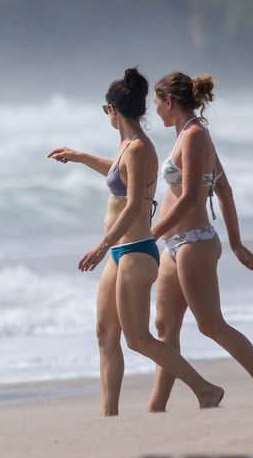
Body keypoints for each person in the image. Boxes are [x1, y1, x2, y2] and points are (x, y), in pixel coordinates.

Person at [48, 68, 224, 416]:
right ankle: (108, 412)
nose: (107, 117)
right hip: (120, 252)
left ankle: (205, 389)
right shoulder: (128, 146)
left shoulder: (140, 148)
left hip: (135, 251)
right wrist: (80, 156)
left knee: (138, 338)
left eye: (105, 111)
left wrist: (100, 247)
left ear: (113, 109)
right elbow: (117, 170)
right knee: (105, 333)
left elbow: (131, 206)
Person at [148, 72, 253, 411]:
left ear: (169, 101)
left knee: (210, 325)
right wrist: (236, 243)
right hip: (176, 245)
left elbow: (189, 198)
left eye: (157, 103)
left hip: (194, 242)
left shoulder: (195, 135)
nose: (155, 110)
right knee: (165, 328)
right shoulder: (186, 134)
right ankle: (157, 408)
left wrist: (147, 236)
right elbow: (223, 188)